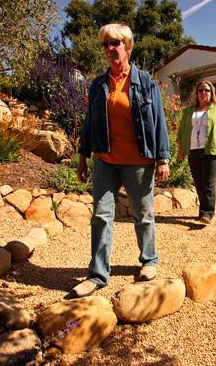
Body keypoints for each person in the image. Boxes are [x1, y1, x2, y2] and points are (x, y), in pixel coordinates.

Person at [67, 23, 170, 299]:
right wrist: (82, 157)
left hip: (138, 161)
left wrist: (163, 158)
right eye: (105, 44)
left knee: (143, 213)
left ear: (128, 46)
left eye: (115, 43)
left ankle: (149, 260)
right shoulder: (99, 84)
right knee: (101, 215)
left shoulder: (146, 82)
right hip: (104, 159)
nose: (109, 49)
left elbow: (159, 121)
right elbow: (90, 123)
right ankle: (98, 274)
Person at [177, 80, 216, 224]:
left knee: (208, 184)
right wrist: (180, 149)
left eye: (207, 90)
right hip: (193, 151)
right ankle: (203, 211)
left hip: (211, 151)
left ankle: (207, 213)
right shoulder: (188, 111)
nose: (204, 93)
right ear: (196, 93)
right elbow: (181, 131)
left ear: (212, 93)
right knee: (198, 183)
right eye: (200, 90)